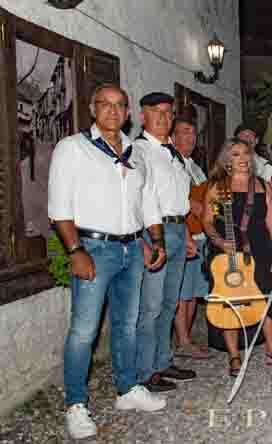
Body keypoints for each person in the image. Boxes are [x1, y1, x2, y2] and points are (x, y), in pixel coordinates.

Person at [49, 84, 167, 439]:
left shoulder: (136, 151)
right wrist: (75, 251)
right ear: (92, 108)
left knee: (126, 324)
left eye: (120, 105)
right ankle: (75, 404)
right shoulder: (73, 148)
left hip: (132, 248)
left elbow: (147, 201)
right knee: (84, 330)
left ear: (128, 112)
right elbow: (59, 207)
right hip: (93, 248)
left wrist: (157, 240)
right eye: (105, 104)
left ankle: (127, 389)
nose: (113, 111)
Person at [201, 138, 272, 376]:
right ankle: (234, 354)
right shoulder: (217, 186)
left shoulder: (263, 185)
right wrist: (219, 241)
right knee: (230, 300)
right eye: (236, 154)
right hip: (226, 251)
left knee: (267, 295)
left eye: (246, 153)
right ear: (227, 159)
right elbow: (207, 220)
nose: (243, 158)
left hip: (260, 248)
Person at [134, 92, 197, 392]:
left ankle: (162, 361)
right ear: (143, 115)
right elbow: (139, 199)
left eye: (168, 112)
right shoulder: (139, 150)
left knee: (170, 303)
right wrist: (148, 240)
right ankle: (145, 371)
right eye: (156, 111)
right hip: (154, 231)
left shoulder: (173, 154)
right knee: (151, 306)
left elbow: (179, 200)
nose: (164, 117)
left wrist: (186, 235)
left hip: (177, 229)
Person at [172, 110, 210, 360]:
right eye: (185, 132)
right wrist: (191, 203)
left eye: (193, 133)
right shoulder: (173, 164)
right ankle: (183, 340)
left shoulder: (195, 166)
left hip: (200, 235)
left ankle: (186, 339)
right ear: (173, 137)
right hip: (184, 233)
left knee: (194, 290)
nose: (191, 137)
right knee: (182, 291)